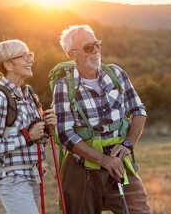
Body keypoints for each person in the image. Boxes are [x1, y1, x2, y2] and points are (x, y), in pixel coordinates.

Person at [54, 25, 152, 213]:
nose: (96, 51)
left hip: (119, 164)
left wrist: (128, 145)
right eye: (88, 47)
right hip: (81, 169)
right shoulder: (64, 85)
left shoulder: (116, 74)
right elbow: (65, 134)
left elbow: (138, 111)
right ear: (72, 55)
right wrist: (103, 160)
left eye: (97, 44)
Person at [0, 39, 57, 214]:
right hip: (12, 179)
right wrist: (26, 136)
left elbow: (37, 141)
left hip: (34, 176)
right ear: (8, 64)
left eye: (30, 54)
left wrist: (47, 129)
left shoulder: (29, 94)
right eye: (24, 55)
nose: (30, 59)